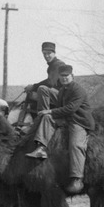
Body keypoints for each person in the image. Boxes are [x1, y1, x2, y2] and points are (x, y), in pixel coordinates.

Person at [25, 64, 95, 194]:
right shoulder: (63, 90)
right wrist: (46, 113)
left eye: (66, 76)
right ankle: (41, 148)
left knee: (75, 145)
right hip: (67, 118)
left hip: (79, 120)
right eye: (61, 76)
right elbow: (61, 107)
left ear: (72, 76)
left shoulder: (78, 90)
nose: (64, 78)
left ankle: (77, 179)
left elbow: (70, 108)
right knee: (46, 113)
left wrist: (50, 110)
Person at [23, 41, 66, 113]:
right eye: (44, 54)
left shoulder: (57, 64)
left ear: (54, 53)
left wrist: (33, 86)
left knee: (35, 93)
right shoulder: (52, 65)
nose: (46, 56)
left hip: (62, 96)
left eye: (49, 53)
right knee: (33, 94)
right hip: (56, 93)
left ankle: (42, 116)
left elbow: (50, 82)